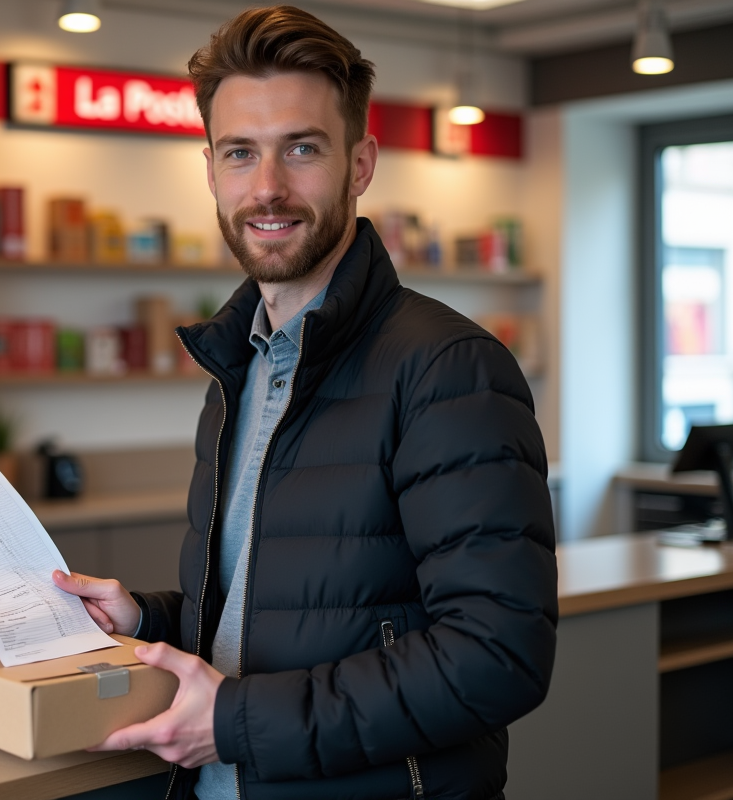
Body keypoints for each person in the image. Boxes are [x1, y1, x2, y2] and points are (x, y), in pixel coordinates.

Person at [52, 6, 558, 799]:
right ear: (211, 170)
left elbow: (498, 657)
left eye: (302, 149)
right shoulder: (238, 365)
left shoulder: (448, 368)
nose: (268, 188)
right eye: (241, 153)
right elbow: (279, 613)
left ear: (361, 165)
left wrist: (236, 721)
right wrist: (147, 618)